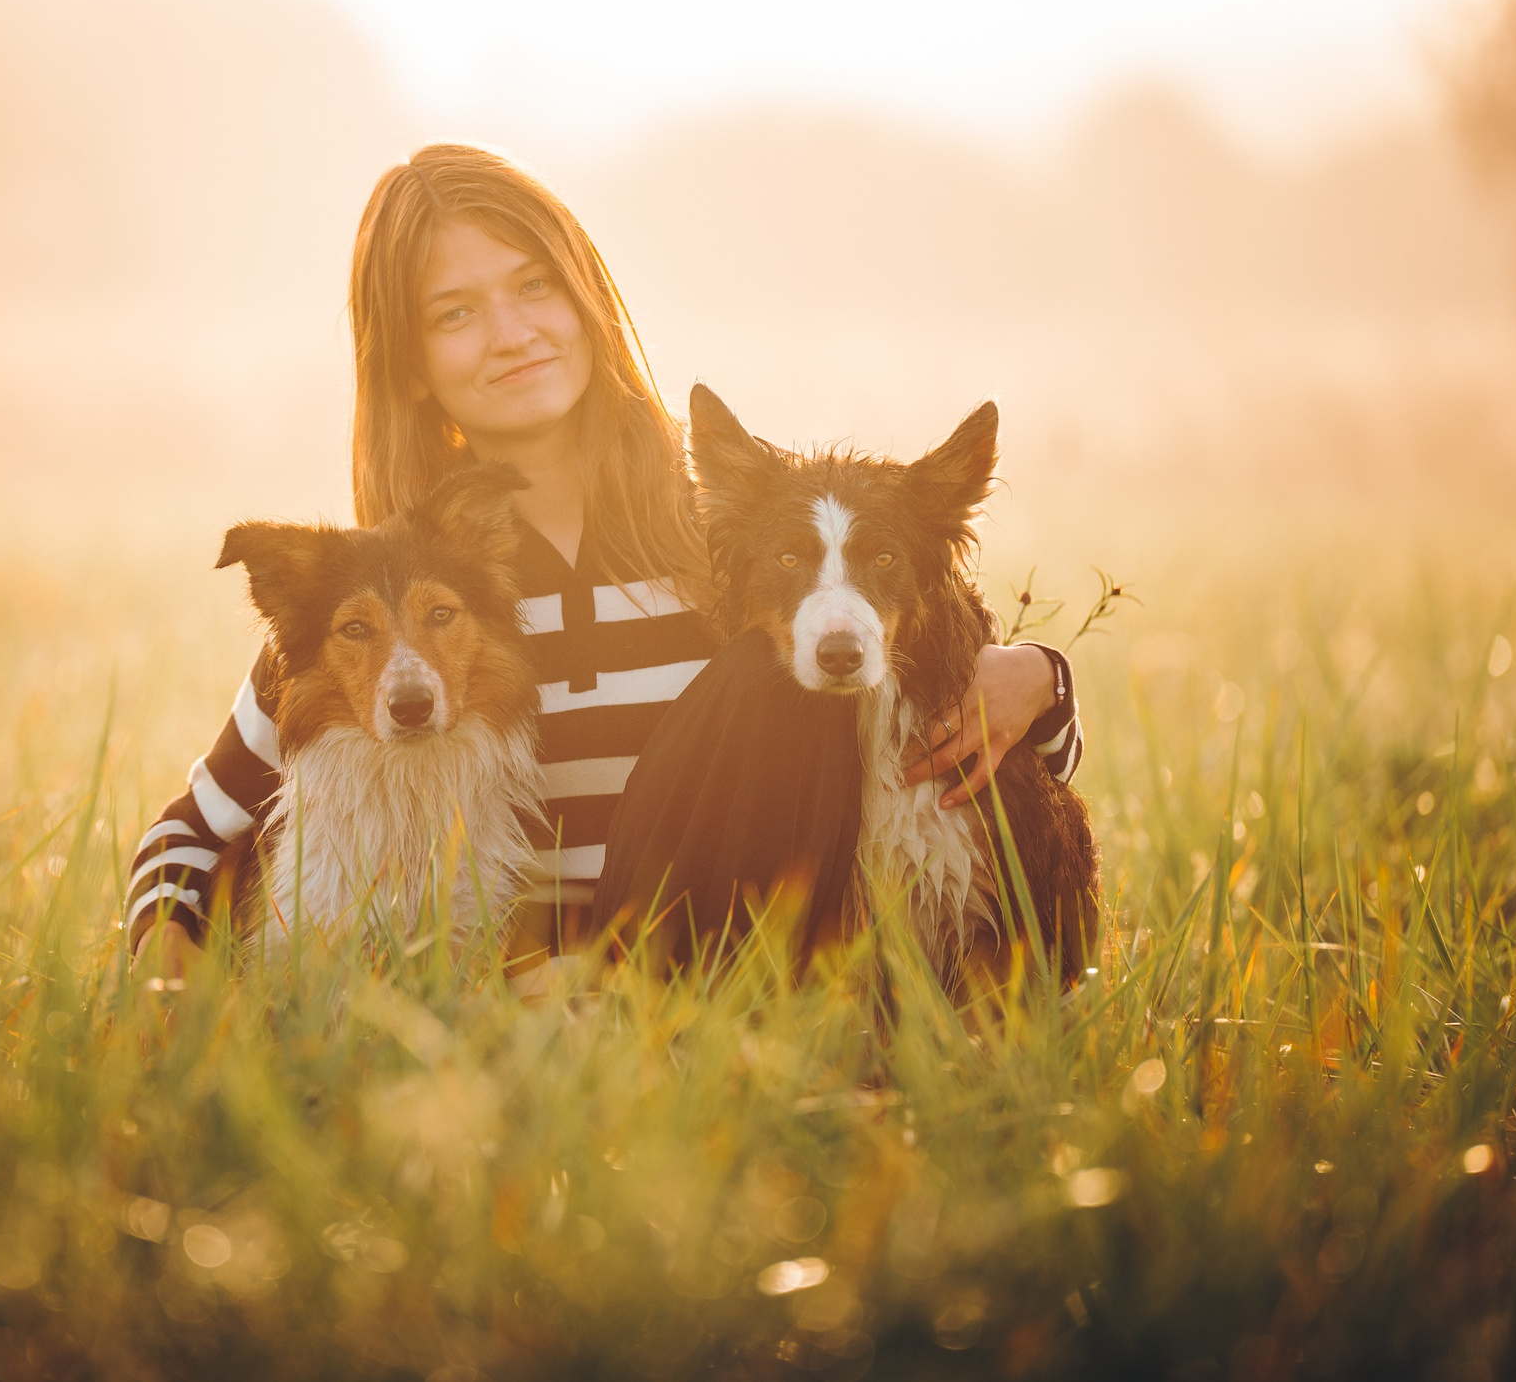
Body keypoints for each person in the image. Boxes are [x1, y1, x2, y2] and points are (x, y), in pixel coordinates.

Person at [125, 143, 1083, 971]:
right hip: (524, 998)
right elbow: (188, 835)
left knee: (764, 678)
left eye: (534, 286)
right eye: (455, 313)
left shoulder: (740, 531)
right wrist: (163, 998)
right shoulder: (400, 598)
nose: (513, 335)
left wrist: (1038, 681)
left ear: (586, 296)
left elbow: (969, 726)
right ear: (409, 363)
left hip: (738, 979)